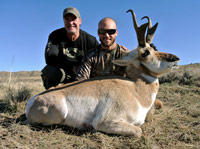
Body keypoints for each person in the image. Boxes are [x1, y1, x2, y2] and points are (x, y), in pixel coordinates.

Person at [41, 7, 99, 89]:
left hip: (84, 74)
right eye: (67, 19)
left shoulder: (90, 40)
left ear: (80, 21)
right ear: (63, 21)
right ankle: (51, 95)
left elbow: (101, 55)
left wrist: (116, 48)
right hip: (64, 72)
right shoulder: (55, 36)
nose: (70, 22)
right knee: (50, 71)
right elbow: (50, 57)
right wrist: (71, 68)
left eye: (73, 19)